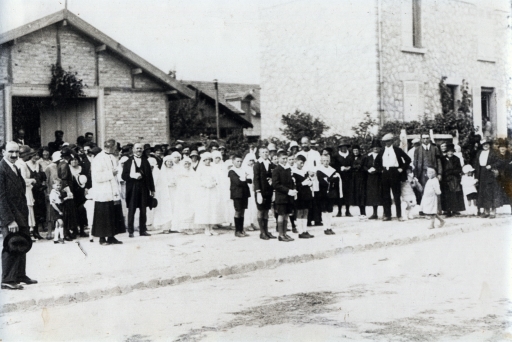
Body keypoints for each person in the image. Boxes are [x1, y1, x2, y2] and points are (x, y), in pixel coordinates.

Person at [0, 142, 38, 290]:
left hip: (20, 213)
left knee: (21, 243)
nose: (14, 155)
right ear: (3, 152)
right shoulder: (2, 169)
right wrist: (9, 220)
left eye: (16, 152)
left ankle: (20, 275)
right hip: (11, 216)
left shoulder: (14, 167)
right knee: (11, 245)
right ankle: (7, 279)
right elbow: (1, 198)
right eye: (10, 152)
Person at [374, 133, 411, 221]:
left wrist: (401, 169)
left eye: (389, 141)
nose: (387, 143)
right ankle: (387, 215)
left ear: (392, 141)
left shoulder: (397, 150)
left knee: (396, 195)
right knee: (385, 195)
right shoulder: (382, 151)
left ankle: (399, 215)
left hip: (395, 173)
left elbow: (408, 159)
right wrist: (381, 170)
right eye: (385, 141)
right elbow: (376, 163)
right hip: (385, 173)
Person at [122, 142, 155, 237]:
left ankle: (143, 230)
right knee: (132, 210)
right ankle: (131, 231)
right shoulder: (128, 162)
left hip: (144, 188)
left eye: (140, 148)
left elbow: (150, 176)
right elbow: (124, 176)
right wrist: (133, 176)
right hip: (132, 189)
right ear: (133, 150)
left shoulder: (146, 161)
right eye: (137, 148)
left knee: (143, 210)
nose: (139, 150)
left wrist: (152, 189)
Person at [194, 152, 223, 235]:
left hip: (212, 190)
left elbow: (217, 179)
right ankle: (206, 228)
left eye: (209, 160)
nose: (208, 161)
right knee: (206, 208)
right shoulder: (200, 169)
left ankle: (211, 228)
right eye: (205, 160)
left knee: (213, 208)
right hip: (204, 191)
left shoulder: (213, 168)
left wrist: (214, 183)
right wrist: (205, 184)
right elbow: (197, 180)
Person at [474, 139, 504, 218]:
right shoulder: (479, 153)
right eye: (484, 144)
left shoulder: (494, 152)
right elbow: (476, 165)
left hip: (491, 174)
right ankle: (486, 211)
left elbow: (500, 162)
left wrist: (491, 166)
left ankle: (493, 212)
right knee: (483, 193)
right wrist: (476, 176)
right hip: (481, 174)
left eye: (487, 144)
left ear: (489, 145)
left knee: (492, 192)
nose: (485, 145)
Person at [272, 151, 297, 242]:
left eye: (286, 158)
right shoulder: (276, 170)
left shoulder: (288, 169)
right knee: (281, 215)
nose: (285, 160)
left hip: (289, 196)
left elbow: (291, 182)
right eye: (283, 158)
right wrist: (288, 190)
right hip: (281, 197)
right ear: (278, 159)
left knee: (286, 215)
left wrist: (293, 189)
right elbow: (275, 184)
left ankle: (285, 233)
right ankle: (280, 235)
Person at [15, 147, 39, 240]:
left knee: (29, 211)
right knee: (27, 211)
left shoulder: (22, 163)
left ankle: (29, 233)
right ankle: (28, 233)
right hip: (25, 191)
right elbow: (22, 180)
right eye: (28, 154)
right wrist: (32, 180)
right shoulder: (21, 164)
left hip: (28, 190)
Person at [253, 147, 276, 240]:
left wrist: (273, 189)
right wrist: (258, 191)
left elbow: (273, 177)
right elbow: (256, 179)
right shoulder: (257, 164)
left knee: (266, 211)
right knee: (261, 211)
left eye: (267, 152)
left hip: (269, 191)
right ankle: (262, 232)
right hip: (261, 191)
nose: (265, 154)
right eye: (263, 152)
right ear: (259, 154)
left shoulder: (271, 164)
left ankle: (266, 231)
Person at [316, 154, 341, 235]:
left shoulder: (332, 170)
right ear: (321, 161)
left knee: (330, 210)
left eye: (327, 160)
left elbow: (336, 181)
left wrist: (330, 179)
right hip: (322, 193)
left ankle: (329, 227)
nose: (326, 162)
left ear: (329, 161)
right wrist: (331, 179)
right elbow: (322, 181)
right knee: (324, 210)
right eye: (324, 161)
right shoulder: (319, 170)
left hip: (331, 193)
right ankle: (325, 228)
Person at [228, 154, 252, 237]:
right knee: (238, 211)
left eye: (241, 161)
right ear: (233, 161)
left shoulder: (242, 170)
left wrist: (244, 179)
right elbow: (237, 182)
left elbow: (249, 180)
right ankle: (237, 231)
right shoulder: (232, 171)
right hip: (237, 194)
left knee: (243, 211)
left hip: (244, 193)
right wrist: (245, 179)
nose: (239, 163)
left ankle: (241, 230)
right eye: (237, 161)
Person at [25, 149, 47, 238]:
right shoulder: (26, 165)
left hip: (39, 192)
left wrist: (43, 185)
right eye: (33, 155)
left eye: (37, 155)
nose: (35, 157)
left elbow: (44, 178)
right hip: (31, 192)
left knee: (39, 211)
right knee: (31, 211)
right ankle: (30, 231)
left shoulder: (39, 165)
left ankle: (36, 231)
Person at [58, 148, 79, 240]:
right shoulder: (65, 165)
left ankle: (67, 232)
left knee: (68, 213)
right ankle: (66, 233)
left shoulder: (61, 163)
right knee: (67, 213)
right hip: (66, 191)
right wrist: (69, 191)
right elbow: (64, 179)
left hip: (65, 190)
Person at [153, 155, 177, 233]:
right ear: (165, 163)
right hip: (165, 192)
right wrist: (167, 184)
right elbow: (160, 183)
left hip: (174, 191)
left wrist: (175, 183)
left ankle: (173, 227)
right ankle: (165, 227)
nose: (169, 163)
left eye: (171, 162)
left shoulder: (175, 170)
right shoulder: (162, 172)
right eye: (168, 162)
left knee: (174, 207)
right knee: (166, 208)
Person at [292, 154, 314, 238]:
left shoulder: (304, 171)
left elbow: (308, 181)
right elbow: (293, 185)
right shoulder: (293, 172)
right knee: (300, 212)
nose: (302, 164)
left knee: (306, 211)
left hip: (306, 193)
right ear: (296, 161)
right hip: (299, 194)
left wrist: (310, 182)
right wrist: (302, 183)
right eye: (301, 162)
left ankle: (305, 230)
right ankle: (300, 231)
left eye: (303, 163)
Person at [440, 144, 465, 216]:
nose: (450, 153)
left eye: (451, 152)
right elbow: (441, 168)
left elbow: (459, 169)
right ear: (446, 152)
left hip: (454, 179)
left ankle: (455, 209)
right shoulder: (443, 159)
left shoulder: (456, 159)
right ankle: (447, 210)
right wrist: (446, 173)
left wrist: (452, 172)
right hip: (446, 179)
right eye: (448, 152)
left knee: (455, 194)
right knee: (446, 195)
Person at [332, 140, 353, 217]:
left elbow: (353, 164)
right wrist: (341, 168)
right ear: (339, 148)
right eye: (342, 147)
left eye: (345, 147)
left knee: (348, 194)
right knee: (339, 194)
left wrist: (349, 168)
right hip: (340, 177)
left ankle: (347, 211)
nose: (344, 148)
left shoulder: (350, 155)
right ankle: (339, 211)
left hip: (349, 177)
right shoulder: (335, 156)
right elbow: (333, 166)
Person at [362, 140, 382, 219]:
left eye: (377, 147)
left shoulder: (382, 156)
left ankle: (385, 213)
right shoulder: (368, 157)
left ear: (379, 148)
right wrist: (368, 170)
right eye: (374, 147)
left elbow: (384, 166)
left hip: (379, 177)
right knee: (373, 195)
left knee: (381, 194)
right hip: (370, 178)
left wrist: (377, 170)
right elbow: (363, 166)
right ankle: (375, 213)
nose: (375, 148)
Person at [350, 145, 367, 219]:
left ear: (359, 150)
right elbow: (350, 166)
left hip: (361, 177)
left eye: (357, 150)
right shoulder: (351, 157)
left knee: (362, 194)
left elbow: (362, 166)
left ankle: (363, 212)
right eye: (354, 151)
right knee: (357, 194)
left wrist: (354, 167)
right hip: (354, 178)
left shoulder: (363, 157)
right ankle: (360, 212)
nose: (355, 152)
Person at [49, 179, 65, 244]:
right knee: (61, 223)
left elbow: (60, 200)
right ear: (53, 185)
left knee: (57, 224)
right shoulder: (53, 193)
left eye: (60, 185)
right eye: (57, 185)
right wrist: (59, 211)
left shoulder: (58, 192)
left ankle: (55, 239)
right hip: (56, 209)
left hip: (60, 207)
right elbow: (53, 203)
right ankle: (62, 237)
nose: (58, 186)